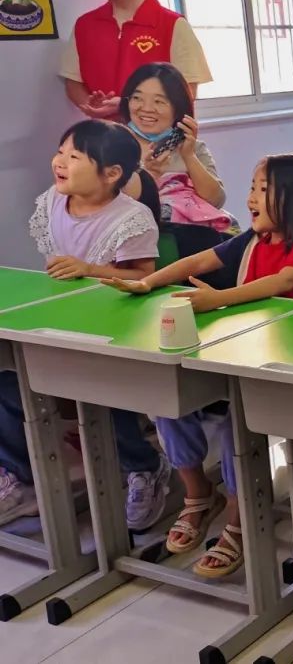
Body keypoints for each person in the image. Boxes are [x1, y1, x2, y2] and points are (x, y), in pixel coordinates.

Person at [104, 154, 293, 578]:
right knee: (167, 401)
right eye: (252, 187)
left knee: (236, 424)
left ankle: (239, 512)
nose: (251, 197)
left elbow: (282, 281)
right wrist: (147, 281)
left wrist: (219, 299)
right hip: (238, 356)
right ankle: (197, 493)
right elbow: (197, 262)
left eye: (264, 189)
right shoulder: (251, 240)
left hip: (283, 369)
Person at [0, 120, 169, 531]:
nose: (59, 162)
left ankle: (144, 466)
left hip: (114, 329)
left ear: (111, 173)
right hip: (59, 321)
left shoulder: (132, 218)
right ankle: (21, 477)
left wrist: (91, 270)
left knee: (104, 395)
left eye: (74, 156)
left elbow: (144, 277)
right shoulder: (52, 202)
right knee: (7, 383)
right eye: (61, 152)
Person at [60, 0, 211, 120]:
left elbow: (187, 91)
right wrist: (91, 105)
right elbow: (73, 82)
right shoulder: (85, 25)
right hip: (106, 133)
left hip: (158, 134)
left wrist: (127, 104)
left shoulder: (173, 24)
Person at [119, 63, 229, 230]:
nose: (146, 109)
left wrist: (189, 156)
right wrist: (148, 176)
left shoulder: (193, 148)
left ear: (178, 108)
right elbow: (105, 205)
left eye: (159, 101)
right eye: (137, 98)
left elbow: (216, 201)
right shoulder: (113, 143)